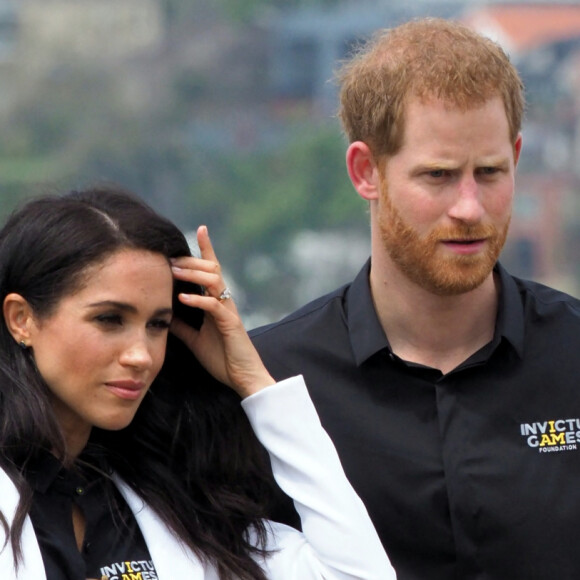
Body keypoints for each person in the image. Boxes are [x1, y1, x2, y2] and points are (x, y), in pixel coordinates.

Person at [251, 16, 580, 580]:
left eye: (491, 172)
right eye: (439, 175)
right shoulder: (269, 386)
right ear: (365, 171)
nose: (470, 207)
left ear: (518, 157)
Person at [0, 185, 394, 580]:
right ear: (22, 319)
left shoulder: (175, 511)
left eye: (158, 325)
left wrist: (253, 381)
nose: (141, 355)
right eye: (109, 319)